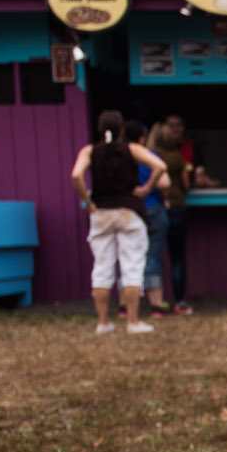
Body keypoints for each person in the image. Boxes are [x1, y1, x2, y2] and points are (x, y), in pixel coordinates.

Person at [72, 109, 165, 335]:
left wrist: (88, 201)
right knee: (132, 266)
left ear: (100, 129)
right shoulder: (131, 149)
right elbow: (160, 166)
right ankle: (132, 322)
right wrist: (146, 188)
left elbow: (76, 175)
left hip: (101, 213)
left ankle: (103, 322)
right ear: (122, 129)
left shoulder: (89, 151)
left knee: (102, 268)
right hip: (129, 212)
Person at [151, 115, 214, 314]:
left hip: (154, 209)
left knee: (154, 257)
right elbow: (187, 185)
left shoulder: (147, 156)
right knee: (177, 257)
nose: (175, 130)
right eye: (171, 126)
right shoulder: (175, 158)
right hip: (176, 208)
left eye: (178, 125)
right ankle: (178, 301)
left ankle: (156, 302)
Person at [125, 120, 172, 317]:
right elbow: (165, 182)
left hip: (126, 211)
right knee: (152, 257)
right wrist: (147, 187)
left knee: (125, 258)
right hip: (151, 208)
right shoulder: (146, 156)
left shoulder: (116, 157)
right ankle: (156, 305)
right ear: (142, 137)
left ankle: (123, 306)